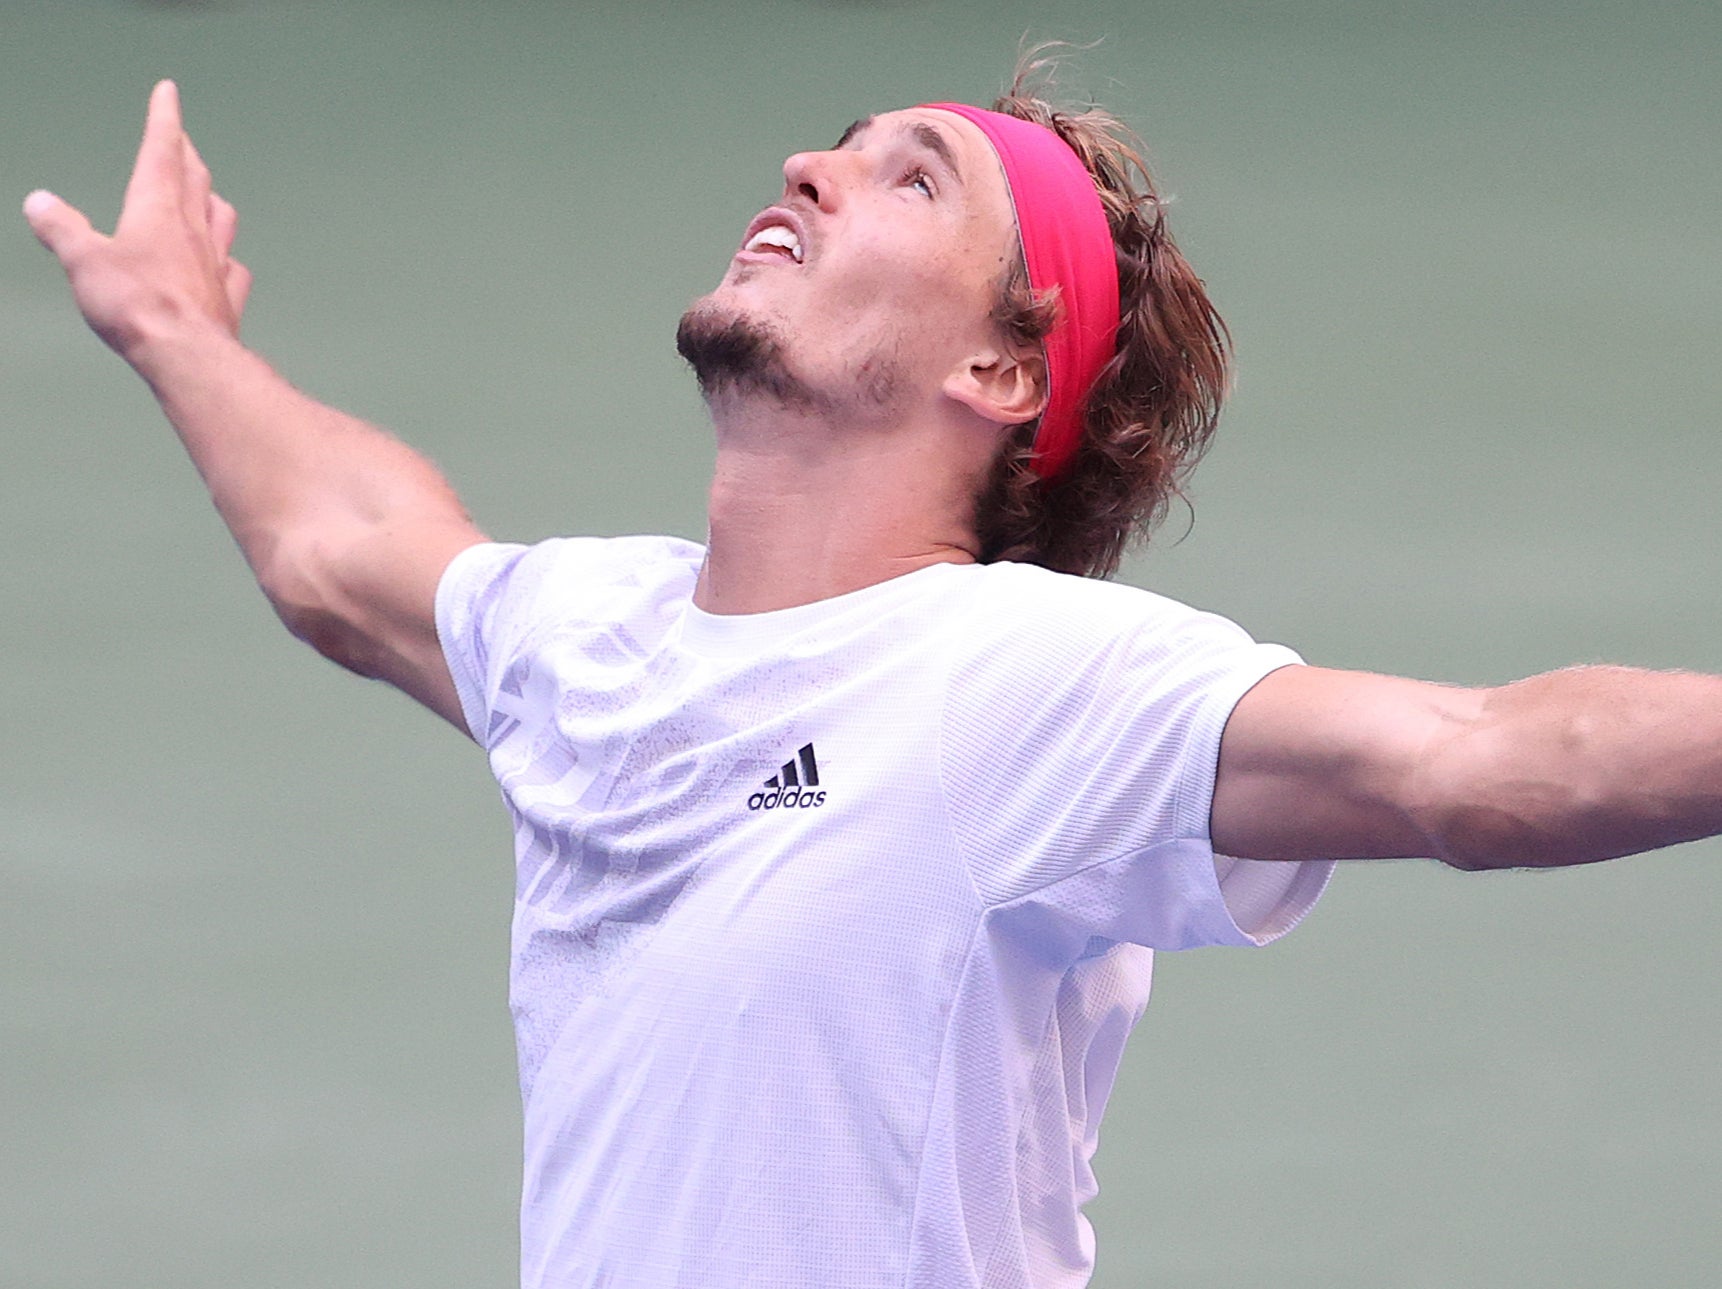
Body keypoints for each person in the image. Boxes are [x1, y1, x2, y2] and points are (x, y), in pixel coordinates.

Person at [22, 71, 1722, 1289]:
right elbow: (343, 552)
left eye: (912, 181)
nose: (812, 168)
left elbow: (1479, 760)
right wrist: (175, 329)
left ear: (999, 366)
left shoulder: (1023, 686)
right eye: (838, 148)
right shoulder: (588, 639)